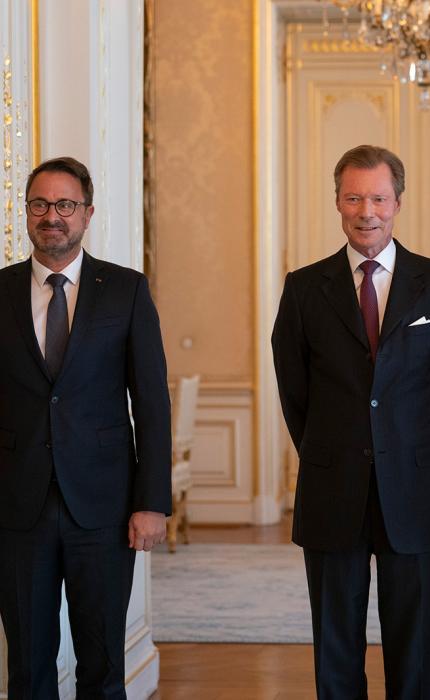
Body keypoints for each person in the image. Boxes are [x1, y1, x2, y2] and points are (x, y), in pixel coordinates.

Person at [272, 144, 430, 699]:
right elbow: (295, 390)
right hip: (331, 484)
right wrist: (327, 448)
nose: (367, 211)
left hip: (414, 487)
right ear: (337, 202)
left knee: (413, 648)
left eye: (379, 198)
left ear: (398, 202)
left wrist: (415, 451)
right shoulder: (303, 288)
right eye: (354, 197)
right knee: (335, 645)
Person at [0, 156, 171, 698]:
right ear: (26, 214)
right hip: (16, 507)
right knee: (27, 666)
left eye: (65, 205)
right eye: (41, 205)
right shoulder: (0, 291)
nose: (53, 216)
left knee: (101, 665)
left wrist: (152, 502)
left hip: (104, 506)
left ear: (87, 213)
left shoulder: (125, 291)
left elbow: (151, 404)